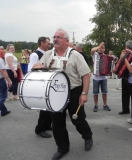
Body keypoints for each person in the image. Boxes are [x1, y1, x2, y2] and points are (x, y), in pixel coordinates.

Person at [33, 28, 93, 160]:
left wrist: (84, 93)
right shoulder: (48, 54)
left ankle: (88, 136)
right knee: (57, 123)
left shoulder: (75, 55)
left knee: (77, 119)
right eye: (54, 37)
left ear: (67, 41)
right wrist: (37, 68)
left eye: (58, 37)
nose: (55, 39)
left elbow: (86, 75)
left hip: (74, 91)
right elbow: (40, 69)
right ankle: (62, 148)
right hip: (55, 93)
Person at [28, 37, 53, 138]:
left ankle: (47, 125)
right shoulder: (35, 54)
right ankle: (40, 129)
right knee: (44, 108)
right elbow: (31, 69)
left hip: (47, 83)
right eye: (47, 43)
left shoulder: (47, 54)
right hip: (41, 84)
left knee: (50, 107)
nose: (49, 44)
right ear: (42, 43)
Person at [91, 42, 111, 112]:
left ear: (104, 49)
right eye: (100, 48)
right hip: (96, 77)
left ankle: (105, 105)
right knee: (95, 92)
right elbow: (92, 50)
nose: (101, 49)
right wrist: (99, 46)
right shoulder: (95, 54)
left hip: (104, 77)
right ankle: (96, 105)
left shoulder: (106, 56)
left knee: (104, 92)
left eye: (103, 48)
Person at [118, 41, 132, 115]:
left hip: (129, 76)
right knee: (125, 94)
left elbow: (131, 66)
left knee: (131, 95)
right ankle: (125, 109)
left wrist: (123, 57)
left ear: (126, 47)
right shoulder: (127, 53)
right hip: (124, 76)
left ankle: (131, 112)